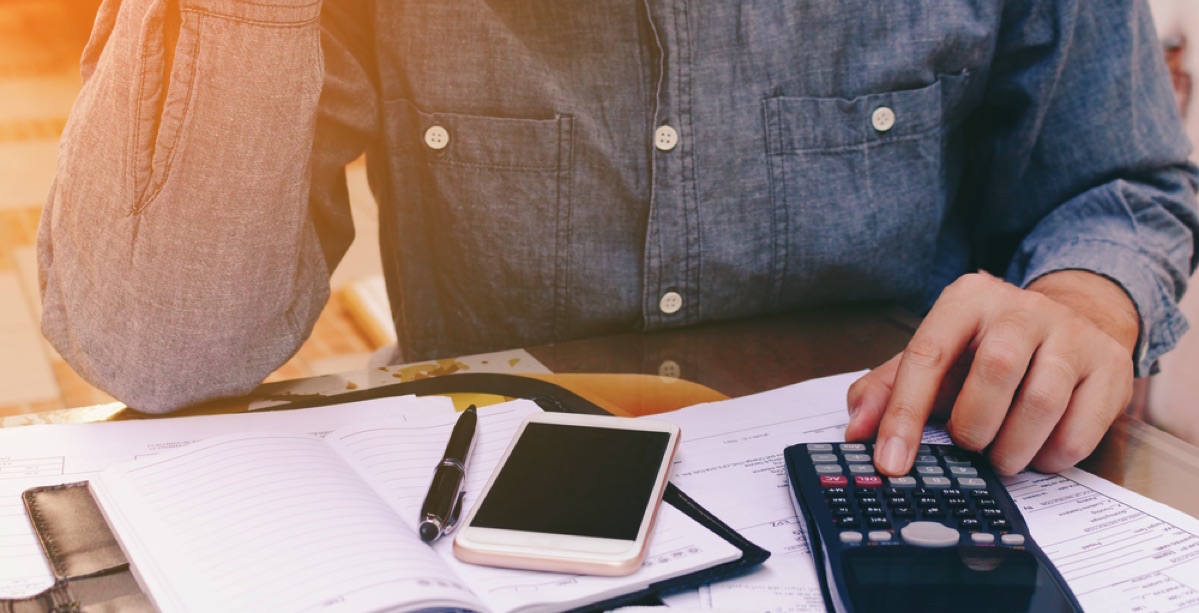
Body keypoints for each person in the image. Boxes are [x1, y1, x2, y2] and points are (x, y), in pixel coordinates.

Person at [39, 0, 1199, 479]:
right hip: (485, 538)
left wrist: (1086, 303)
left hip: (896, 493)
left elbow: (1119, 181)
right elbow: (160, 345)